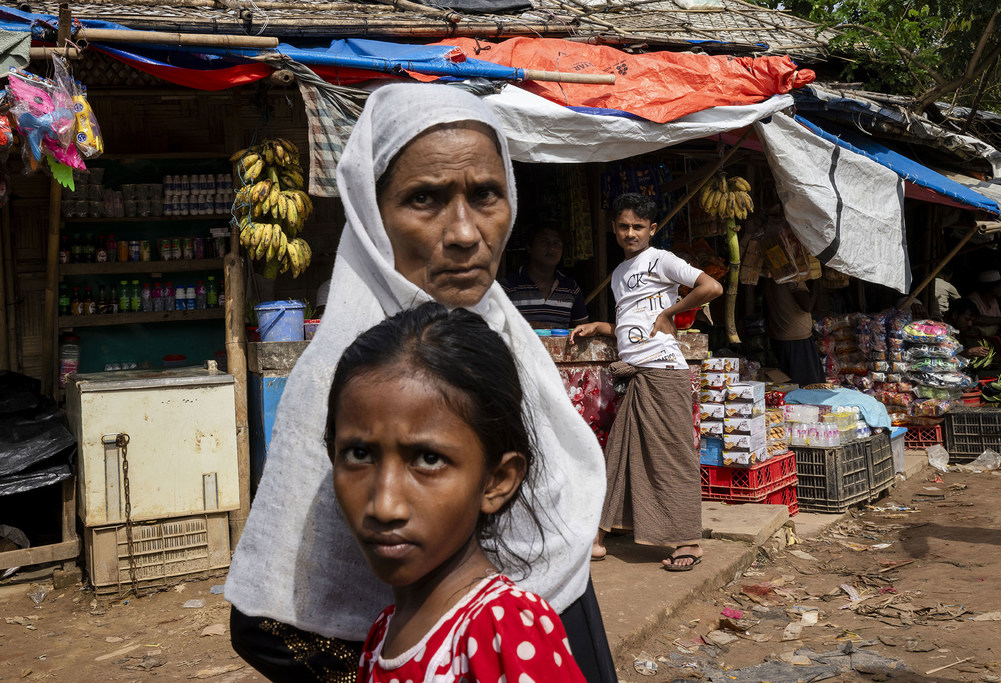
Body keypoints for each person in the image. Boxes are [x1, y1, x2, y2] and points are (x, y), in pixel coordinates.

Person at [224, 83, 614, 682]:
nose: (463, 232)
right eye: (426, 199)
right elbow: (269, 625)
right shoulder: (345, 377)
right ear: (372, 215)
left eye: (486, 195)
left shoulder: (515, 346)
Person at [325, 302, 586, 682]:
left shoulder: (505, 630)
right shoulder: (383, 632)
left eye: (429, 459)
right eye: (359, 454)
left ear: (496, 480)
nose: (384, 506)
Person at [570, 193, 723, 571]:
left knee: (673, 458)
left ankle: (689, 541)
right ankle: (600, 536)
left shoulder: (662, 259)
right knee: (619, 456)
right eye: (623, 226)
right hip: (639, 376)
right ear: (614, 229)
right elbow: (631, 323)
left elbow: (711, 288)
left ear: (652, 229)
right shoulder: (620, 274)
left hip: (664, 373)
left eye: (638, 227)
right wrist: (600, 327)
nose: (630, 233)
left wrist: (671, 311)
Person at [501, 223, 590, 328]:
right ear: (530, 247)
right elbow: (492, 327)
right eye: (544, 242)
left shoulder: (570, 288)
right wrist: (527, 327)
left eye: (556, 243)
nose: (551, 248)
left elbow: (584, 329)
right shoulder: (509, 286)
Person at [762, 279, 826, 386]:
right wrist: (816, 282)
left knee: (789, 384)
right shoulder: (791, 276)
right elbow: (807, 305)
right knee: (809, 385)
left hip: (779, 336)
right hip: (797, 338)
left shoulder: (768, 279)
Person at [967, 270, 1001, 336]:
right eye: (1000, 286)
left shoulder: (993, 301)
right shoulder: (973, 300)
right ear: (993, 288)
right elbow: (976, 319)